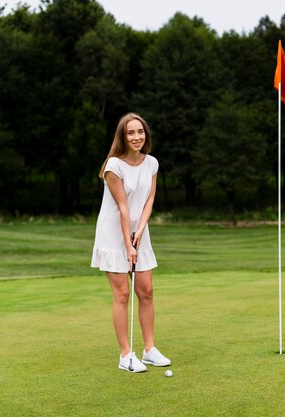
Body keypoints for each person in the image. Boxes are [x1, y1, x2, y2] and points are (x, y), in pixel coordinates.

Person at [91, 113, 171, 373]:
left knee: (146, 290)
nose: (137, 137)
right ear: (122, 137)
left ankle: (149, 350)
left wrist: (140, 231)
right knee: (122, 294)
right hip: (114, 234)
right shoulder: (113, 166)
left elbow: (149, 201)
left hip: (140, 231)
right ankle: (125, 355)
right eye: (130, 133)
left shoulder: (152, 164)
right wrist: (128, 244)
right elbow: (123, 208)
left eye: (140, 132)